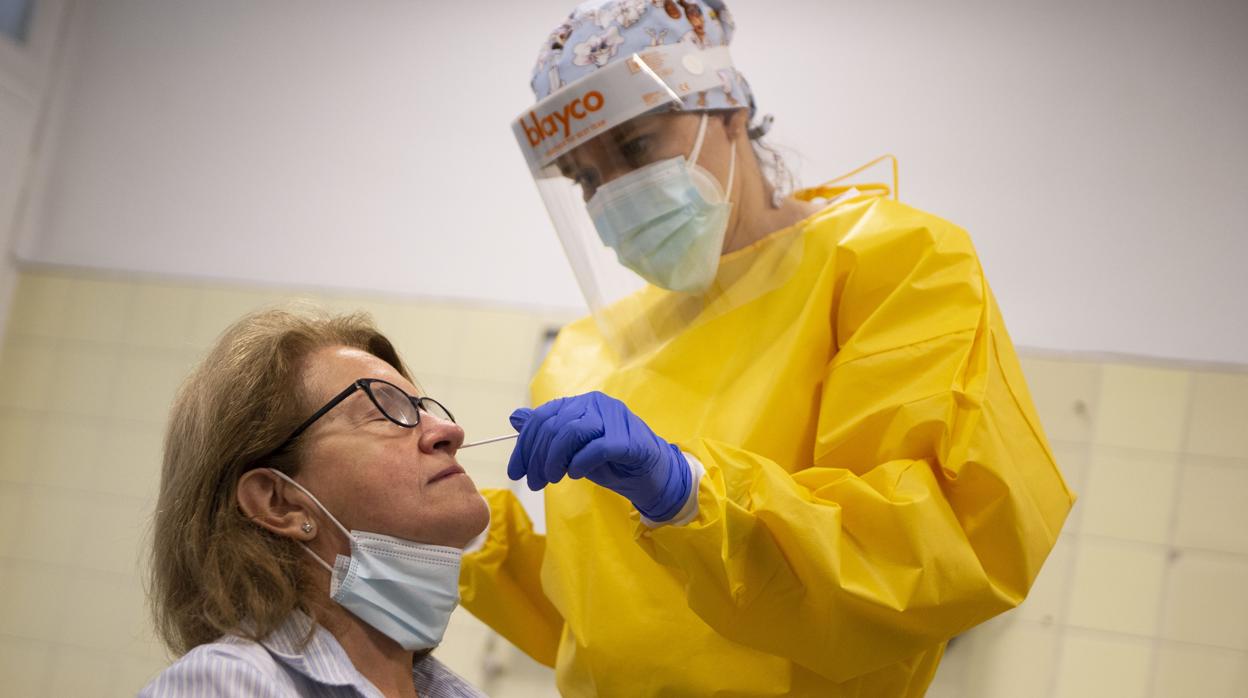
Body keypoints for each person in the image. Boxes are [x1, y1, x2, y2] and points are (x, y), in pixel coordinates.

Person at [459, 1, 1076, 696]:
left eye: (635, 147)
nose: (615, 195)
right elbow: (600, 630)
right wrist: (471, 540)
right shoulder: (583, 354)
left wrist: (690, 497)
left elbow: (939, 550)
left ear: (728, 112)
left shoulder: (890, 266)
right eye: (587, 178)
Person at [142, 308, 489, 698]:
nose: (449, 431)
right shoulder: (229, 685)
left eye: (422, 408)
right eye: (386, 413)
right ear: (280, 503)